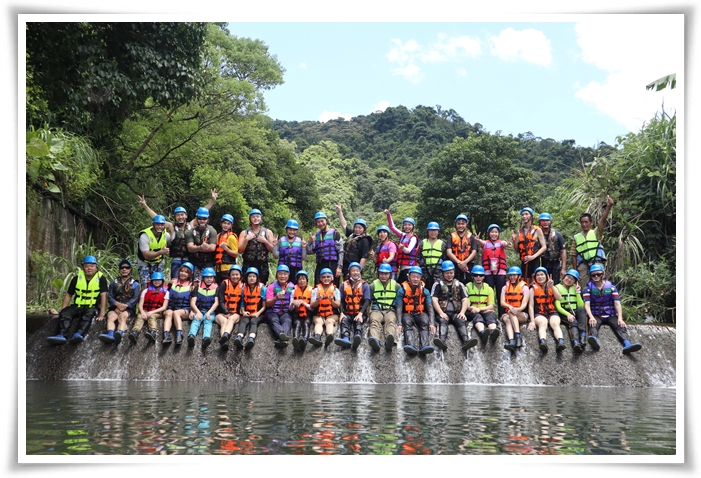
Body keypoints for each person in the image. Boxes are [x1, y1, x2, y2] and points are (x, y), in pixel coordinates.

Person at [138, 189, 217, 282]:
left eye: (182, 214)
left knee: (188, 282)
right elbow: (157, 218)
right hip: (176, 259)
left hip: (188, 259)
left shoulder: (190, 225)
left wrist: (212, 201)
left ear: (186, 216)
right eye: (178, 215)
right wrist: (145, 206)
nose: (180, 217)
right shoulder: (171, 227)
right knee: (174, 281)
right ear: (175, 217)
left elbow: (202, 214)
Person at [47, 255, 108, 345]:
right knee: (66, 313)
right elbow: (68, 295)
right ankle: (62, 335)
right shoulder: (76, 278)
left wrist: (102, 314)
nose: (89, 268)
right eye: (87, 266)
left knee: (88, 315)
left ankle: (79, 334)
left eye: (92, 266)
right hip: (77, 306)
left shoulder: (101, 279)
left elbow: (104, 296)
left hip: (92, 307)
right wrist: (62, 310)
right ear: (83, 267)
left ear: (96, 267)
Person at [583, 263, 642, 354]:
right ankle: (593, 339)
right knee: (593, 324)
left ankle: (627, 344)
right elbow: (586, 305)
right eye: (593, 275)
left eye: (598, 274)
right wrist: (591, 317)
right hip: (596, 314)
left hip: (610, 314)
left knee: (620, 326)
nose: (596, 276)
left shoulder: (611, 288)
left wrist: (620, 318)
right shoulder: (587, 289)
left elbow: (617, 303)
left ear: (603, 274)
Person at [430, 261, 479, 353]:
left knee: (461, 321)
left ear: (454, 272)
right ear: (443, 273)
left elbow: (465, 299)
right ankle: (441, 341)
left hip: (456, 313)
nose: (449, 275)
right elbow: (434, 300)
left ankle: (466, 342)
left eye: (451, 272)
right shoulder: (437, 285)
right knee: (443, 322)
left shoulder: (459, 284)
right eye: (447, 273)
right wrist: (441, 313)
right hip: (443, 312)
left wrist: (462, 312)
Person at [571, 195, 614, 288]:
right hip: (583, 265)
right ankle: (586, 302)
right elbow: (573, 254)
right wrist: (575, 271)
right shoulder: (576, 237)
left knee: (600, 286)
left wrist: (608, 206)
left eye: (586, 222)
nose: (584, 224)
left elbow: (603, 220)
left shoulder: (596, 233)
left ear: (591, 223)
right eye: (582, 222)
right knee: (584, 287)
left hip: (597, 262)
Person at [98, 259, 141, 345]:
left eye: (127, 267)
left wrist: (125, 306)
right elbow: (109, 296)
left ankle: (119, 333)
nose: (124, 269)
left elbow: (136, 298)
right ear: (119, 270)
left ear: (130, 269)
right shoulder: (114, 282)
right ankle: (110, 334)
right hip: (115, 307)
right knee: (110, 316)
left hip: (128, 308)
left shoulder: (135, 284)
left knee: (122, 317)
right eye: (122, 267)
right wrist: (117, 304)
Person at [396, 266, 436, 356]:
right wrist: (399, 324)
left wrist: (432, 323)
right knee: (406, 322)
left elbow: (430, 308)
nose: (415, 279)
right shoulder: (402, 291)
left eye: (418, 277)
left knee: (425, 321)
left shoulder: (425, 291)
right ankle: (410, 346)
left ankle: (424, 346)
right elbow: (399, 308)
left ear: (420, 278)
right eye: (413, 276)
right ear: (408, 277)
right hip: (407, 314)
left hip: (420, 313)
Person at [528, 266, 565, 353]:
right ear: (535, 277)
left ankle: (560, 342)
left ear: (546, 276)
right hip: (539, 313)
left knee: (555, 324)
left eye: (542, 275)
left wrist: (552, 287)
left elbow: (559, 298)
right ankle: (543, 342)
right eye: (538, 275)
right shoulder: (532, 289)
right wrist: (532, 321)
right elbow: (531, 306)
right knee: (542, 324)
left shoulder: (552, 286)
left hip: (552, 312)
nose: (540, 277)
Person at [476, 224, 510, 316]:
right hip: (488, 272)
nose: (494, 234)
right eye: (492, 232)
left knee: (500, 293)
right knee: (489, 293)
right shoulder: (485, 243)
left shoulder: (501, 243)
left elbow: (504, 244)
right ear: (489, 233)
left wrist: (507, 244)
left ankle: (502, 314)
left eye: (496, 232)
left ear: (498, 233)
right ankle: (489, 314)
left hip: (500, 272)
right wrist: (478, 240)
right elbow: (481, 243)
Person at [335, 262, 370, 350]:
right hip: (348, 312)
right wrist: (342, 313)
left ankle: (357, 337)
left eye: (357, 271)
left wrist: (361, 314)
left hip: (360, 313)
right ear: (349, 273)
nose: (355, 273)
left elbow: (367, 301)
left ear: (360, 272)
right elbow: (341, 300)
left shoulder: (365, 285)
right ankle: (345, 338)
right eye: (353, 271)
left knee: (358, 322)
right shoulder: (344, 285)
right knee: (344, 321)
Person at [367, 263, 401, 352]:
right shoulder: (373, 285)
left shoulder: (396, 286)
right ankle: (375, 340)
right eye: (381, 273)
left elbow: (399, 303)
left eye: (386, 274)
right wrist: (367, 315)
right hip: (376, 310)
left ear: (390, 274)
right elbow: (368, 301)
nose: (383, 276)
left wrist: (400, 319)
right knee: (374, 320)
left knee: (391, 320)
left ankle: (390, 340)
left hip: (390, 310)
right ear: (378, 274)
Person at [129, 271, 169, 344]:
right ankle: (135, 332)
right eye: (155, 280)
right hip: (145, 310)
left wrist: (151, 312)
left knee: (152, 317)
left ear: (162, 281)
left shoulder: (166, 291)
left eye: (158, 280)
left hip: (156, 312)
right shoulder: (146, 290)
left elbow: (164, 307)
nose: (156, 282)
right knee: (140, 317)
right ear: (152, 281)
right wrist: (142, 312)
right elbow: (140, 304)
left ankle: (152, 332)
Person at [465, 265, 500, 347]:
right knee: (477, 317)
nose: (478, 277)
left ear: (484, 276)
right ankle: (482, 333)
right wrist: (472, 308)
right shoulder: (467, 287)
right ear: (472, 276)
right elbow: (466, 305)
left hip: (483, 310)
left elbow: (491, 306)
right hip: (472, 311)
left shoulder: (489, 289)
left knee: (490, 317)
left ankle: (493, 332)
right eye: (475, 275)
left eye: (480, 275)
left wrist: (479, 309)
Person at [238, 208, 275, 285]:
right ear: (250, 219)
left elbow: (272, 250)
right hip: (248, 264)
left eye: (258, 216)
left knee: (262, 285)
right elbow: (239, 250)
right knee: (246, 285)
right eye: (253, 217)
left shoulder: (268, 232)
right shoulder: (244, 233)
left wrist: (265, 241)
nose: (256, 218)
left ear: (261, 218)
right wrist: (246, 240)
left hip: (262, 265)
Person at [335, 204, 373, 279]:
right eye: (356, 227)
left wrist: (358, 271)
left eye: (360, 228)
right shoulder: (352, 235)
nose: (357, 229)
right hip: (346, 266)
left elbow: (364, 257)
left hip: (355, 267)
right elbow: (344, 225)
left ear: (364, 229)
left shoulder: (364, 240)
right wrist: (340, 211)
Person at [307, 211, 344, 287]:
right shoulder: (316, 236)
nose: (320, 223)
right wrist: (310, 242)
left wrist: (339, 267)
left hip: (333, 264)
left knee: (334, 287)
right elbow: (309, 251)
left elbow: (341, 251)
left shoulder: (335, 233)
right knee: (318, 286)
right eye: (318, 222)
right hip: (320, 264)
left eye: (322, 221)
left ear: (326, 221)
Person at [555, 269, 588, 352]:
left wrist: (577, 293)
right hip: (563, 312)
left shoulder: (575, 288)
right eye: (568, 277)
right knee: (573, 321)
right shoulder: (557, 288)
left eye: (572, 279)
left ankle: (583, 336)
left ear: (575, 281)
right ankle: (575, 342)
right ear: (564, 277)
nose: (569, 280)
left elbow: (581, 305)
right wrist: (567, 314)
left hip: (574, 311)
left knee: (581, 310)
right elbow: (557, 306)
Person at [511, 207, 546, 284]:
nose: (524, 216)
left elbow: (544, 247)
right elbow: (517, 250)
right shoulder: (519, 231)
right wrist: (514, 241)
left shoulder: (537, 230)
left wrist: (533, 256)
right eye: (523, 214)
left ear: (531, 216)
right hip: (524, 260)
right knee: (525, 281)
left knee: (535, 281)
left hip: (534, 260)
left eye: (526, 214)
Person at [384, 209, 420, 285]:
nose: (407, 226)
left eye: (409, 225)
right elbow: (392, 227)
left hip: (410, 268)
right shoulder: (402, 235)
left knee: (403, 287)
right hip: (403, 268)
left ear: (413, 226)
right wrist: (388, 215)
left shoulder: (413, 238)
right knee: (399, 287)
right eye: (405, 225)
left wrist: (403, 248)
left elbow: (408, 250)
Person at [163, 262, 195, 345]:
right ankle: (166, 335)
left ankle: (179, 335)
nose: (183, 273)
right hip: (172, 307)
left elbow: (192, 301)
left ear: (190, 274)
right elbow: (166, 295)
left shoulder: (191, 286)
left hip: (185, 310)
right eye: (182, 271)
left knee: (176, 313)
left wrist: (192, 311)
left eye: (186, 272)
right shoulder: (172, 283)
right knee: (168, 312)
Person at [265, 264, 297, 348]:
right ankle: (282, 336)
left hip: (285, 311)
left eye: (285, 274)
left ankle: (281, 338)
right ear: (276, 275)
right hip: (273, 311)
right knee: (273, 320)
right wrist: (275, 298)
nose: (282, 276)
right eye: (280, 274)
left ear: (288, 275)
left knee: (288, 321)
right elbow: (268, 303)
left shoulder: (292, 286)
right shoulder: (271, 286)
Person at [135, 214, 171, 287]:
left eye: (162, 225)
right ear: (153, 224)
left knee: (158, 283)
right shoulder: (144, 236)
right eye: (157, 224)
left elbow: (168, 247)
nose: (160, 227)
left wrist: (167, 251)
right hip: (144, 262)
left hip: (158, 262)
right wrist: (161, 252)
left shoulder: (166, 235)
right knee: (145, 285)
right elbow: (146, 255)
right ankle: (142, 297)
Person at [309, 268, 341, 346]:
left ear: (331, 278)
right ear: (320, 278)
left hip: (332, 313)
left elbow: (338, 305)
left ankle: (329, 336)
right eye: (323, 277)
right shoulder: (316, 290)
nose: (326, 279)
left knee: (329, 322)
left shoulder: (336, 290)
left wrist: (331, 301)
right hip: (319, 313)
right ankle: (317, 337)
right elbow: (312, 305)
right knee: (318, 322)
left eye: (328, 277)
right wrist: (318, 300)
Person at [188, 267, 219, 349]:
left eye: (211, 277)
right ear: (203, 278)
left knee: (208, 320)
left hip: (210, 311)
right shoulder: (198, 287)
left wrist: (209, 312)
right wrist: (197, 312)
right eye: (207, 277)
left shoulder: (216, 288)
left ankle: (206, 338)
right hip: (199, 310)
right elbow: (193, 302)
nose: (209, 279)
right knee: (196, 319)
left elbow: (216, 303)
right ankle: (191, 336)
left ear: (213, 278)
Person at [236, 267, 267, 349]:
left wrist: (258, 313)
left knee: (253, 321)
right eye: (250, 276)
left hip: (259, 314)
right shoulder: (243, 288)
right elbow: (242, 303)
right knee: (244, 321)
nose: (252, 278)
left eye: (254, 276)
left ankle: (251, 339)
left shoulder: (262, 288)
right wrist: (243, 312)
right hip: (248, 312)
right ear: (247, 278)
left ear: (257, 278)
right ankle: (239, 337)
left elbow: (264, 306)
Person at [185, 207, 218, 285]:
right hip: (195, 263)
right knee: (194, 284)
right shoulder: (191, 231)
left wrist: (196, 248)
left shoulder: (212, 231)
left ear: (208, 219)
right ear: (196, 219)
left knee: (209, 284)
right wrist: (201, 247)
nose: (202, 220)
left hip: (208, 263)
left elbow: (212, 248)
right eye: (200, 218)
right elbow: (190, 248)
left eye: (204, 218)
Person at [501, 266, 530, 352]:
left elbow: (524, 304)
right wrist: (510, 306)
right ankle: (511, 341)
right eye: (511, 275)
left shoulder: (525, 287)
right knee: (507, 319)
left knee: (511, 312)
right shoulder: (505, 287)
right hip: (508, 313)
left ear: (519, 276)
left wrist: (517, 309)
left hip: (521, 314)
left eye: (514, 275)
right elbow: (502, 303)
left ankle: (517, 336)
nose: (512, 277)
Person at [215, 264, 244, 350]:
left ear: (240, 275)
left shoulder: (242, 286)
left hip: (235, 313)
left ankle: (225, 336)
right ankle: (224, 340)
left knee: (231, 319)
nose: (235, 276)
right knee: (224, 321)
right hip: (222, 313)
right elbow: (220, 301)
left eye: (237, 274)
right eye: (233, 274)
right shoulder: (224, 284)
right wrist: (225, 312)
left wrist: (230, 314)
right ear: (229, 275)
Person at [446, 214, 479, 286]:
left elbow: (474, 251)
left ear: (466, 224)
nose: (461, 226)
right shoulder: (451, 237)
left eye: (463, 224)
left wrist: (465, 262)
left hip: (468, 264)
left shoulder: (471, 237)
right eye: (458, 224)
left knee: (468, 285)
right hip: (455, 265)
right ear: (456, 224)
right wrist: (459, 262)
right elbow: (448, 252)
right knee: (455, 285)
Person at [537, 213, 567, 285]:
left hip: (555, 263)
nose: (545, 222)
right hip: (543, 262)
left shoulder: (557, 234)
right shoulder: (537, 234)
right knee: (543, 284)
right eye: (543, 221)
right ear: (540, 222)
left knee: (555, 284)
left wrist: (563, 268)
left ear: (550, 221)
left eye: (547, 220)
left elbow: (563, 251)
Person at [417, 221, 447, 293]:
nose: (433, 232)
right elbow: (418, 258)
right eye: (431, 230)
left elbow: (445, 259)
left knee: (437, 291)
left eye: (435, 230)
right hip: (424, 272)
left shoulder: (442, 244)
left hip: (438, 273)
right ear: (428, 231)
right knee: (423, 291)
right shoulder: (422, 243)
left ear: (438, 231)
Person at [290, 270, 313, 352]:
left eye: (303, 279)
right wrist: (293, 303)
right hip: (296, 314)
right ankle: (295, 340)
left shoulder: (312, 291)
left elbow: (313, 308)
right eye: (300, 279)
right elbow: (290, 309)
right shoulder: (293, 291)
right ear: (297, 281)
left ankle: (305, 340)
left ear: (307, 280)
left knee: (306, 324)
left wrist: (304, 304)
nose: (302, 281)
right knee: (297, 323)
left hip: (307, 314)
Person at [214, 213, 239, 284]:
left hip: (228, 269)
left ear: (231, 225)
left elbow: (236, 254)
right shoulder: (218, 236)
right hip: (218, 269)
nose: (226, 225)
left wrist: (226, 248)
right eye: (224, 223)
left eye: (228, 224)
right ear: (221, 223)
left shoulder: (231, 237)